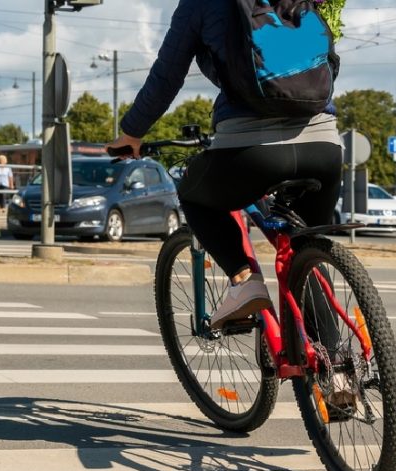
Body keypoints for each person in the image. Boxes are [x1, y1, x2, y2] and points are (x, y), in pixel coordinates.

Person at [107, 0, 342, 329]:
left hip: (251, 150)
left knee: (193, 194)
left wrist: (132, 133)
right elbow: (330, 61)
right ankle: (338, 374)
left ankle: (244, 282)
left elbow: (167, 75)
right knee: (308, 255)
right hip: (325, 147)